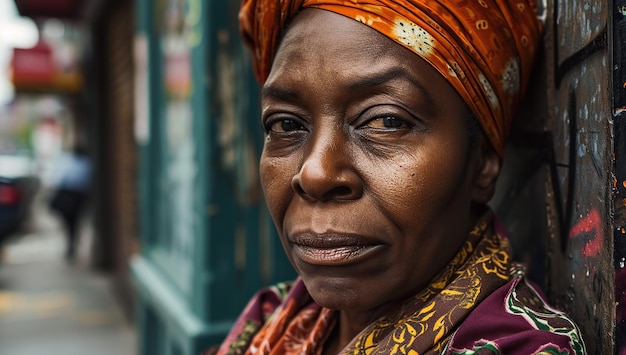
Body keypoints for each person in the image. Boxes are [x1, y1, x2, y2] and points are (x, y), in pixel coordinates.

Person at [211, 0, 586, 354]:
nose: (315, 173)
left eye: (386, 121)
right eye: (285, 124)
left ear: (482, 161)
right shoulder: (273, 315)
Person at [49, 145, 92, 261]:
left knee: (70, 222)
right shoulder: (86, 163)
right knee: (75, 222)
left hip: (70, 194)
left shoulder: (67, 162)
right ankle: (72, 244)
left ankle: (71, 245)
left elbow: (59, 178)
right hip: (78, 196)